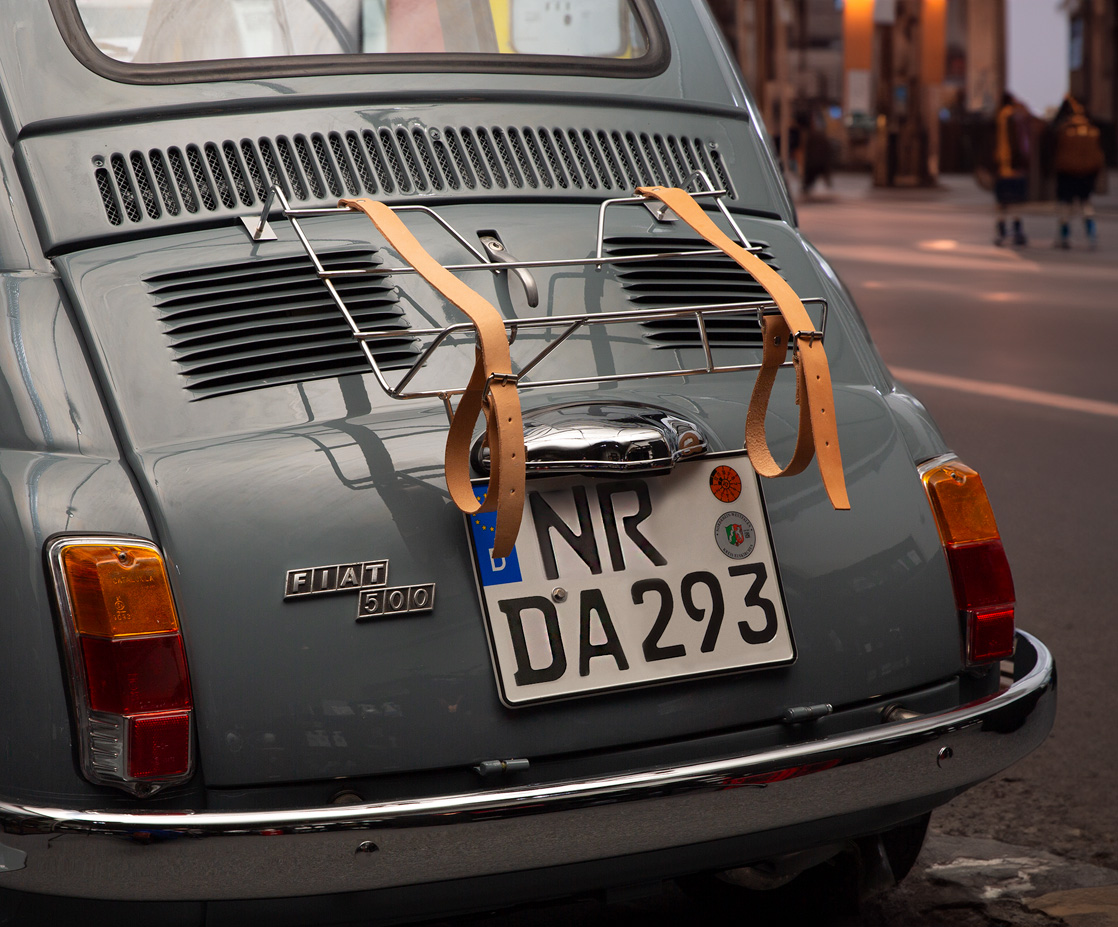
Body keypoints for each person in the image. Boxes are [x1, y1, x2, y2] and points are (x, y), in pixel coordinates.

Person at [1048, 94, 1104, 249]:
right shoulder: (1091, 129)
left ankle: (1064, 237)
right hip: (1087, 173)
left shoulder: (1063, 129)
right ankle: (1091, 235)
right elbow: (1098, 156)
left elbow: (1055, 151)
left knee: (1066, 207)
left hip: (1067, 172)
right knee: (1086, 204)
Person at [993, 92, 1032, 246]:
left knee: (1002, 203)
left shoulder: (999, 117)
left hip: (1001, 167)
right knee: (1015, 203)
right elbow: (1018, 143)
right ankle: (1017, 232)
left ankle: (1001, 232)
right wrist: (1020, 163)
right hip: (1013, 167)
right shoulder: (1013, 117)